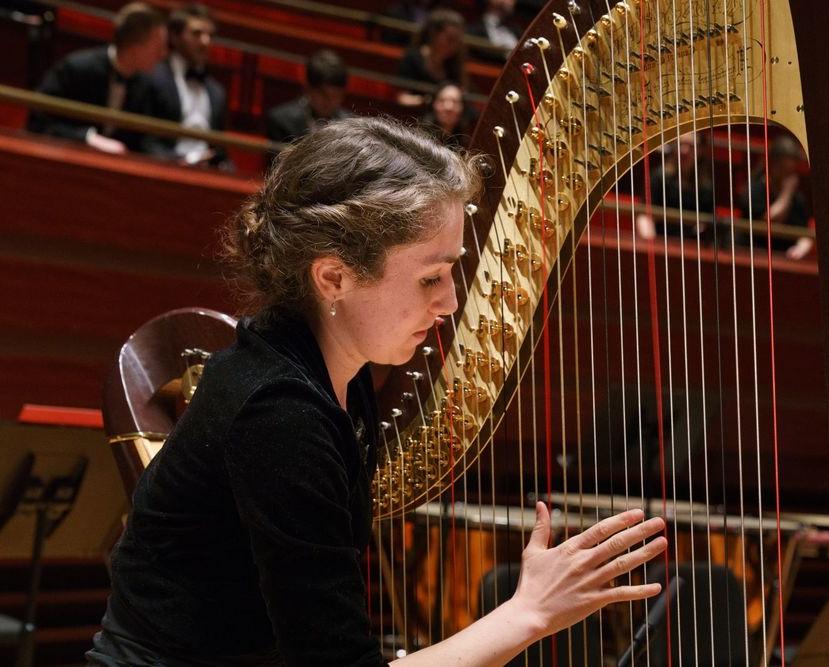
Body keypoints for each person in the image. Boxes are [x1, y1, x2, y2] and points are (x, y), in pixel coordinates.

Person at [85, 116, 667, 666]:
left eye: (451, 272)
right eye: (429, 278)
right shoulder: (279, 414)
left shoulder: (335, 371)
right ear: (333, 276)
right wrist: (529, 612)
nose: (450, 303)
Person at [26, 2, 166, 154]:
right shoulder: (77, 68)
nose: (163, 54)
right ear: (136, 45)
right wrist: (87, 138)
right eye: (158, 47)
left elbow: (145, 140)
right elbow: (40, 122)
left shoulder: (146, 84)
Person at [141, 3, 229, 165]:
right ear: (174, 37)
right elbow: (144, 142)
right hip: (166, 170)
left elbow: (220, 152)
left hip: (208, 174)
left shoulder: (217, 91)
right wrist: (182, 162)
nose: (205, 42)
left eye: (210, 35)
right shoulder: (151, 76)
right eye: (197, 34)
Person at [740, 134, 813, 260]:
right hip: (753, 255)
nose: (787, 175)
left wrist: (801, 248)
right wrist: (787, 193)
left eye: (790, 171)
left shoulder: (798, 200)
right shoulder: (754, 190)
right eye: (783, 169)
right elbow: (768, 223)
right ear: (772, 164)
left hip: (785, 259)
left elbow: (804, 234)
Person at [266, 49, 352, 145]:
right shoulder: (282, 121)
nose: (329, 101)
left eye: (336, 95)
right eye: (322, 94)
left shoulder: (352, 126)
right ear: (307, 89)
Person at [397, 9, 467, 107]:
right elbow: (402, 97)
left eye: (457, 40)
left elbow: (461, 94)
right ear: (434, 35)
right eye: (450, 39)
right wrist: (429, 102)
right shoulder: (413, 58)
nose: (454, 45)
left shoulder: (454, 64)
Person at [422, 81, 477, 149]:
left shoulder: (469, 141)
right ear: (433, 104)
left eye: (455, 102)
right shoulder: (420, 138)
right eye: (442, 100)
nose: (448, 107)